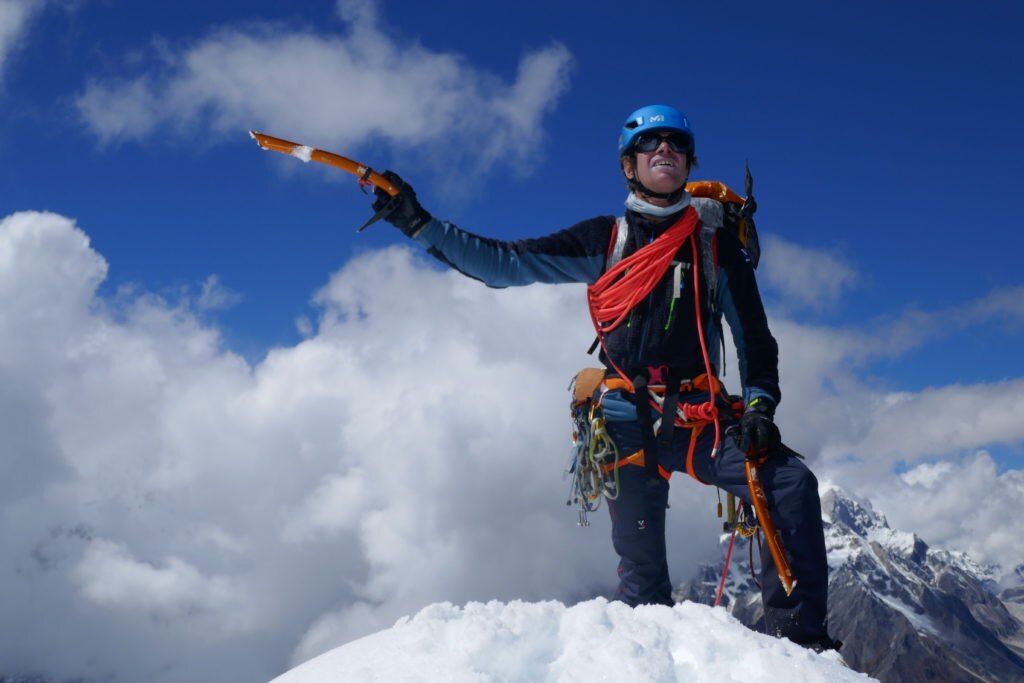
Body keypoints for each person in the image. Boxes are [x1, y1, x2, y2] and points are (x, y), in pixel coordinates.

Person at [369, 104, 838, 652]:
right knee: (642, 584)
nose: (663, 150)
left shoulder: (714, 247)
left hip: (696, 417)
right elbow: (503, 263)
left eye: (675, 143)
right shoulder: (607, 239)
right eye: (650, 144)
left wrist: (759, 407)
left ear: (689, 161)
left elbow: (754, 339)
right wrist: (418, 222)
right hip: (624, 421)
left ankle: (798, 646)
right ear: (628, 166)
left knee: (789, 485)